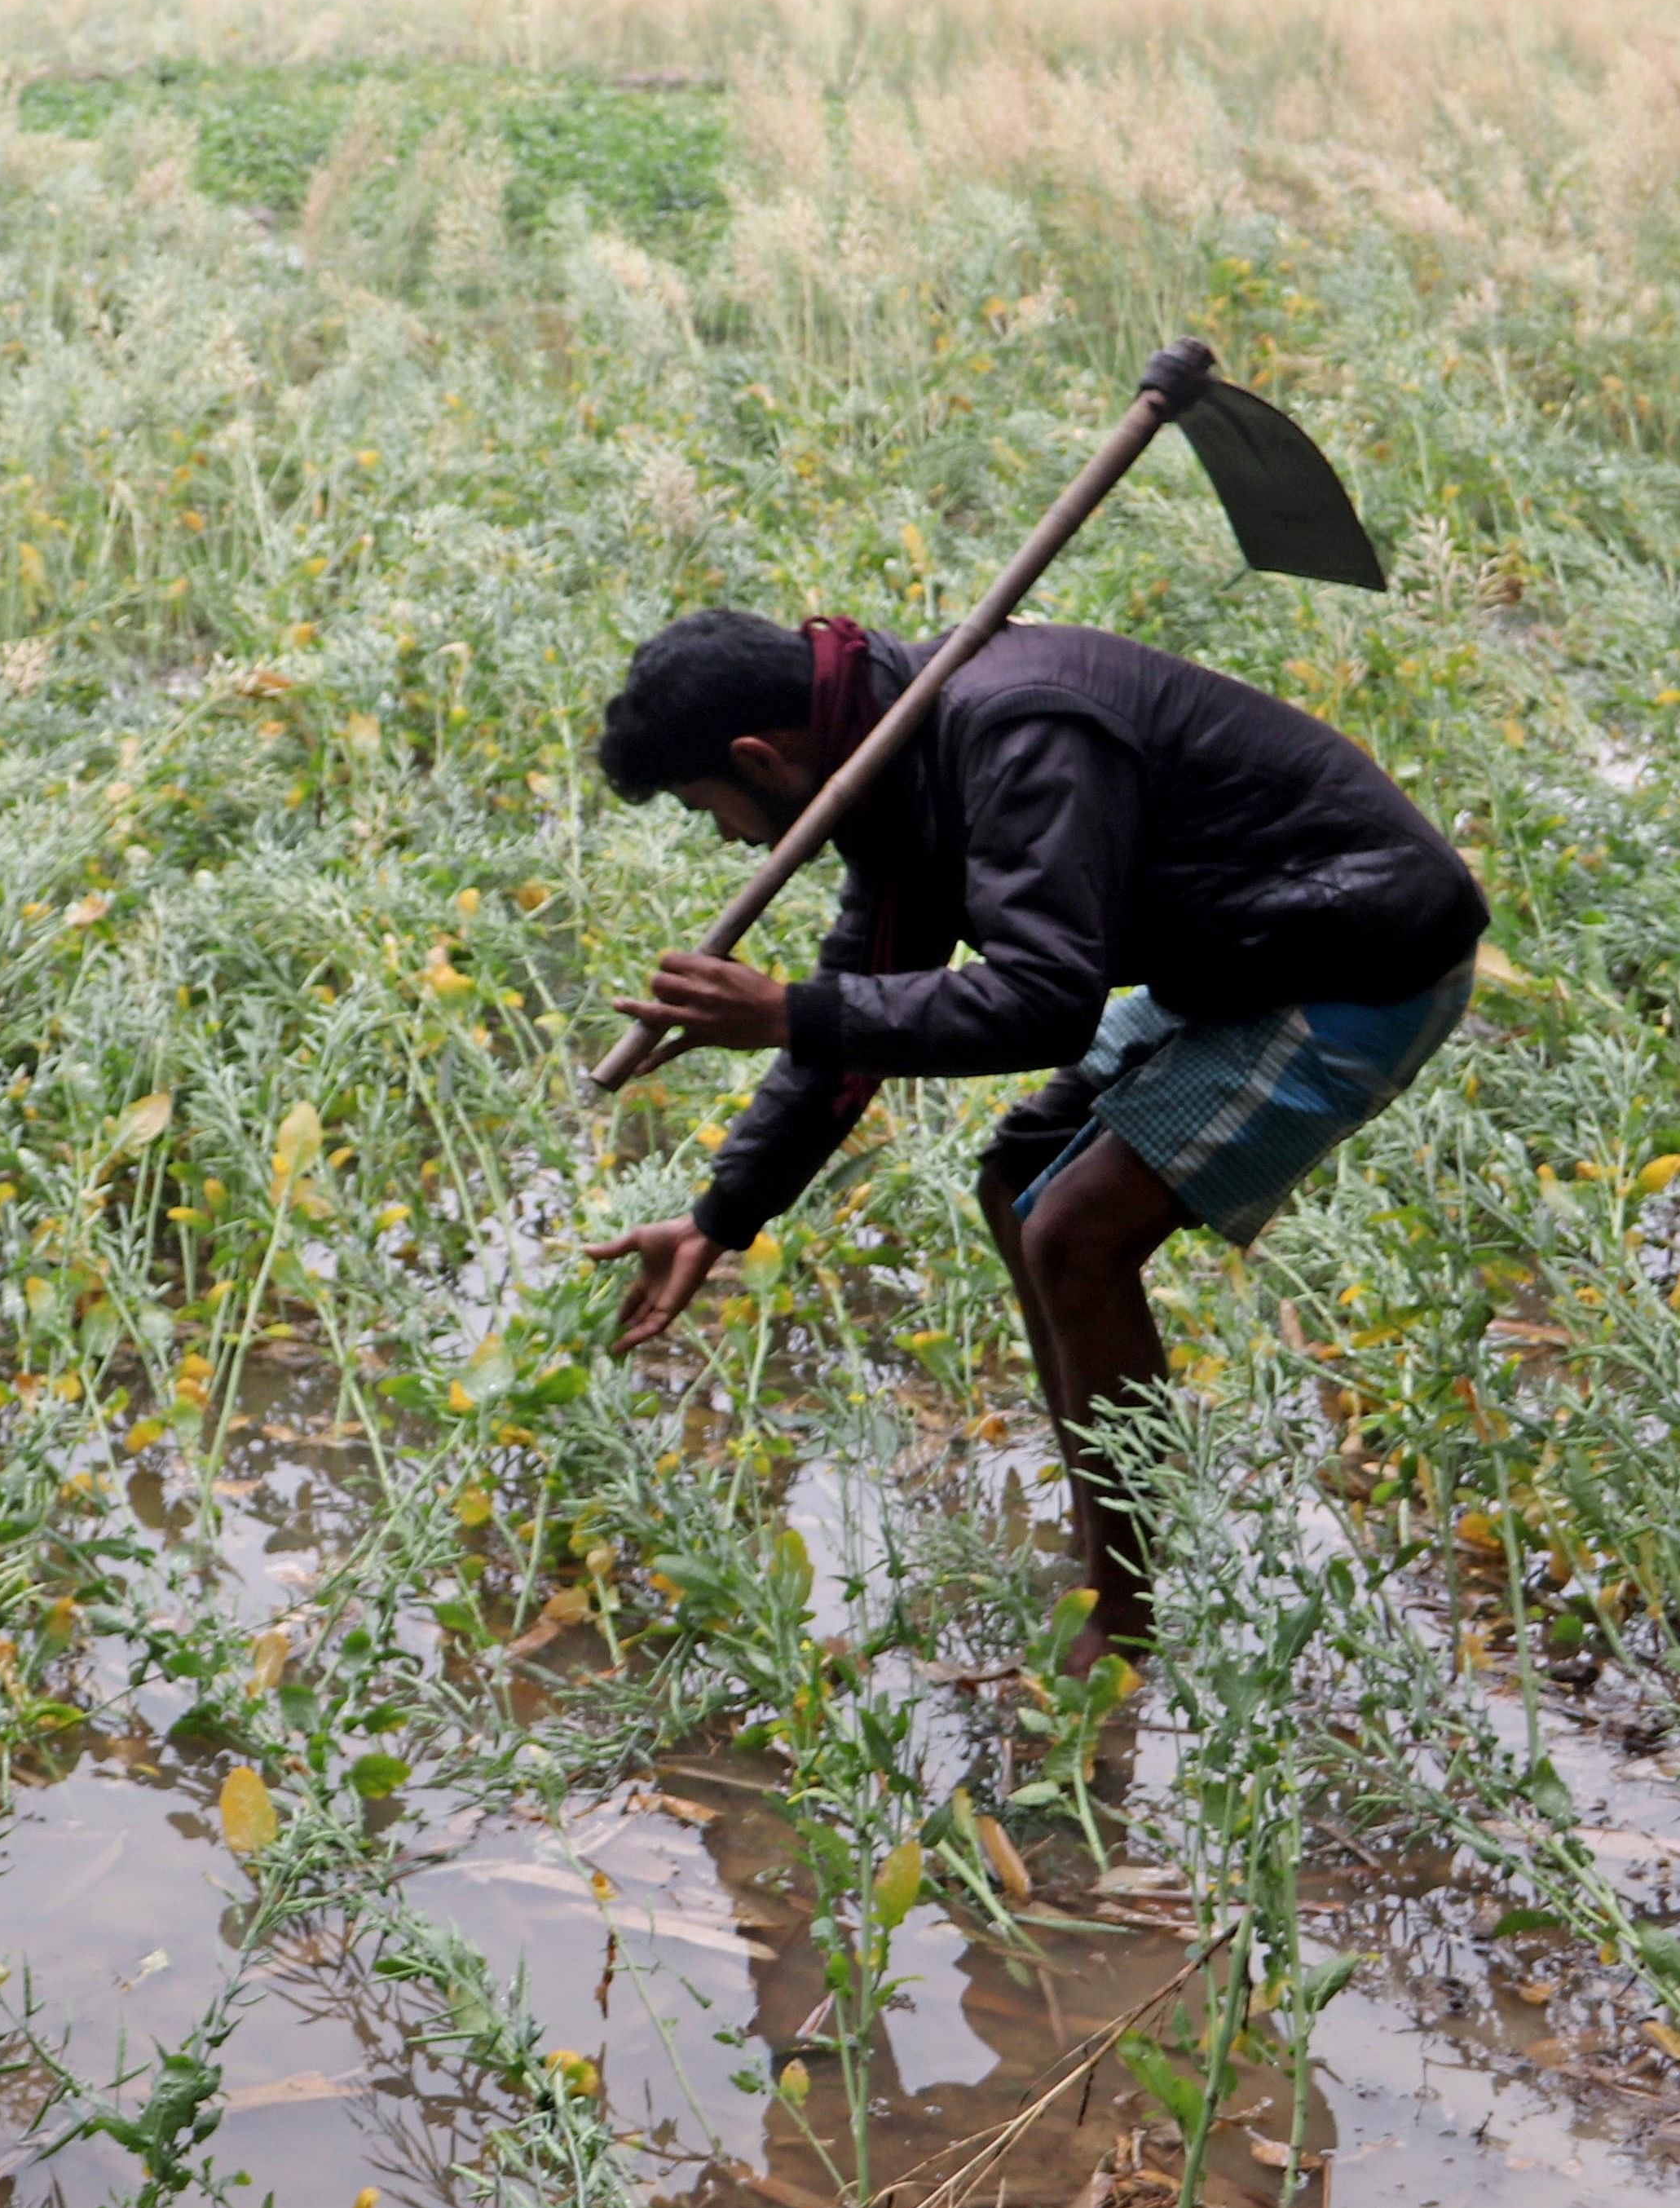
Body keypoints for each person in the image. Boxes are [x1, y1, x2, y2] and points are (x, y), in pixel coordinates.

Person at [582, 607, 1486, 1674]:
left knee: (1073, 1234)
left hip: (1357, 954)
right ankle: (1113, 1538)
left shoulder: (1016, 730)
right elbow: (855, 1016)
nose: (730, 839)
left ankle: (1124, 1614)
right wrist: (716, 1216)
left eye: (708, 809)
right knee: (1015, 1182)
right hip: (1241, 952)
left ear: (760, 757)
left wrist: (783, 1012)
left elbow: (1042, 1001)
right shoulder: (888, 759)